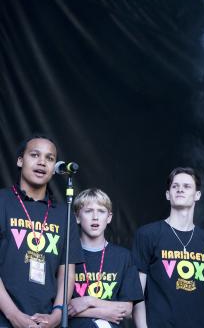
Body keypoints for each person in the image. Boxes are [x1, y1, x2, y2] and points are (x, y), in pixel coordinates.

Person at [0, 135, 84, 328]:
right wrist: (13, 315)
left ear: (55, 168)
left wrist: (57, 314)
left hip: (44, 320)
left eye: (49, 158)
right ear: (20, 160)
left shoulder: (65, 213)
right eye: (35, 155)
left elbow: (67, 272)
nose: (42, 162)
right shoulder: (2, 201)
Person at [132, 167, 204, 328]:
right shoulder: (148, 235)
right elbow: (137, 295)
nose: (180, 189)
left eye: (187, 186)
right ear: (168, 194)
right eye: (175, 186)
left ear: (198, 195)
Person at [69, 188, 143, 328]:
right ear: (77, 217)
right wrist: (105, 312)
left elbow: (126, 309)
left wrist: (89, 301)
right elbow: (60, 308)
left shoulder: (123, 256)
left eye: (101, 211)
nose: (95, 217)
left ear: (109, 218)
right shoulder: (66, 254)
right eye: (88, 211)